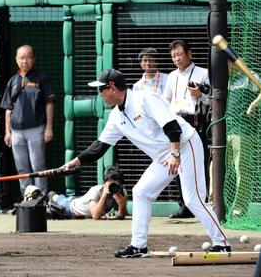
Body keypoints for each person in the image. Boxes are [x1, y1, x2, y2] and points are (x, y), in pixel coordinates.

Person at [63, 69, 230, 258]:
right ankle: (138, 246)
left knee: (193, 199)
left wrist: (175, 153)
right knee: (141, 192)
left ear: (112, 87)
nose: (100, 94)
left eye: (102, 89)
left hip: (184, 145)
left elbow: (171, 126)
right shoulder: (116, 117)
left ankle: (221, 243)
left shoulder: (143, 99)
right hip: (164, 156)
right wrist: (75, 161)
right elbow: (99, 147)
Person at [163, 40, 211, 218]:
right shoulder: (171, 76)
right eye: (173, 56)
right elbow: (165, 100)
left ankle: (201, 203)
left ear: (189, 54)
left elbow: (212, 99)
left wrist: (200, 95)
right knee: (177, 164)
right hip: (175, 121)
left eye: (179, 54)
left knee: (199, 163)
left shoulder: (203, 73)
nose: (176, 59)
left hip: (195, 121)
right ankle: (183, 204)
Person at [0, 44, 55, 197]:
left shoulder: (41, 79)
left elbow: (49, 103)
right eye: (21, 58)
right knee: (22, 168)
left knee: (39, 166)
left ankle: (42, 200)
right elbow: (8, 108)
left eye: (28, 57)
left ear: (34, 60)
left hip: (36, 129)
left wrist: (49, 128)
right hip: (16, 132)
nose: (24, 61)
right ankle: (27, 198)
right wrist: (7, 132)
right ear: (16, 60)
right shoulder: (12, 81)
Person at [225, 65, 259, 216]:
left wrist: (253, 105)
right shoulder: (223, 79)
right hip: (223, 131)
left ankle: (239, 209)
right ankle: (216, 205)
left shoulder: (250, 75)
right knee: (217, 169)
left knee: (242, 169)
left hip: (243, 131)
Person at [47, 166, 127, 220]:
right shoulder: (96, 190)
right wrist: (103, 196)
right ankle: (53, 195)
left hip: (81, 202)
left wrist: (122, 205)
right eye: (110, 182)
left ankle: (56, 196)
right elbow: (96, 216)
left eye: (116, 183)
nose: (113, 186)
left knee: (68, 199)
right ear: (104, 182)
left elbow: (121, 216)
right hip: (71, 207)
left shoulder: (121, 192)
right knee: (60, 201)